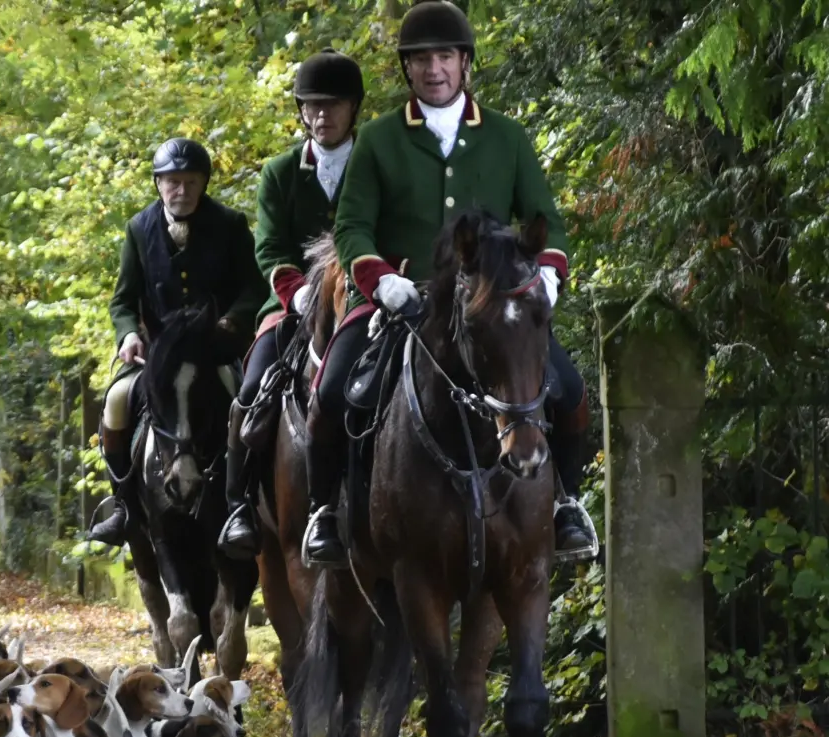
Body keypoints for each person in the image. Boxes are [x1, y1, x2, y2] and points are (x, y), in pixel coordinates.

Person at [313, 0, 594, 566]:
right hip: (402, 301)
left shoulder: (508, 137)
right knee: (334, 388)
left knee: (568, 389)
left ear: (465, 64)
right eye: (420, 59)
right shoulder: (379, 139)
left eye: (445, 56)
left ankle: (567, 502)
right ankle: (326, 511)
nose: (433, 69)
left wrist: (549, 275)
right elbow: (351, 225)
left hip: (489, 304)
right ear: (407, 70)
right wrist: (379, 280)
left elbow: (548, 217)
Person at [217, 49, 366, 559]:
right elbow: (269, 246)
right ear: (301, 111)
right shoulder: (280, 172)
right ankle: (238, 505)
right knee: (253, 387)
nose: (322, 115)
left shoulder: (378, 164)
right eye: (312, 106)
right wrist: (296, 290)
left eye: (333, 105)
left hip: (363, 298)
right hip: (293, 304)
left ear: (353, 109)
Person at [88, 138, 263, 546]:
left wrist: (231, 321)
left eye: (190, 181)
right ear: (158, 184)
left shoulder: (231, 224)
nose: (180, 190)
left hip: (214, 349)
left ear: (203, 183)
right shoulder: (137, 228)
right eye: (172, 182)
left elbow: (253, 289)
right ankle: (123, 507)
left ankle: (243, 504)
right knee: (115, 400)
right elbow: (123, 298)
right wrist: (128, 333)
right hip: (158, 355)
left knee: (245, 401)